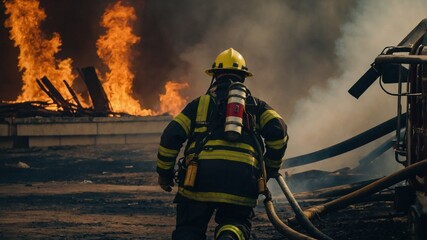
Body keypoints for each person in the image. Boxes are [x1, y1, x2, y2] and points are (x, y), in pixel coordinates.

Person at [156, 48, 288, 240]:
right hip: (242, 179)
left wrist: (165, 174)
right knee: (235, 224)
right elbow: (279, 131)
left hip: (199, 177)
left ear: (215, 76)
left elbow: (170, 136)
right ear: (243, 77)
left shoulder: (199, 104)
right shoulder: (256, 106)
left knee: (189, 228)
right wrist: (269, 168)